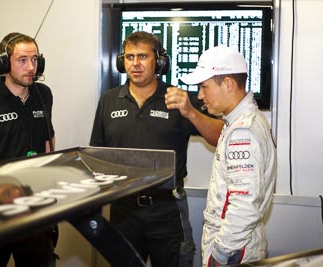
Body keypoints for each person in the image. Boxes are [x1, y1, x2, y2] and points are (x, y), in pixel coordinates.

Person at [90, 31, 223, 267]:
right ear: (122, 62)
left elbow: (221, 136)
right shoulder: (109, 100)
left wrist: (190, 111)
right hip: (123, 209)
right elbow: (97, 156)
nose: (135, 64)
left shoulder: (178, 98)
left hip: (166, 209)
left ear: (159, 62)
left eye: (143, 56)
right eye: (130, 57)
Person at [0, 32, 57, 267]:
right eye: (22, 60)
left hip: (35, 209)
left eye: (35, 60)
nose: (30, 67)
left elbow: (49, 140)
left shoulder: (43, 94)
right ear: (4, 63)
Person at [179, 45, 277, 266]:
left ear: (228, 84)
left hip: (233, 249)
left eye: (204, 87)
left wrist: (220, 254)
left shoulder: (243, 131)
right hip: (236, 244)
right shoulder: (242, 121)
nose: (200, 95)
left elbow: (244, 203)